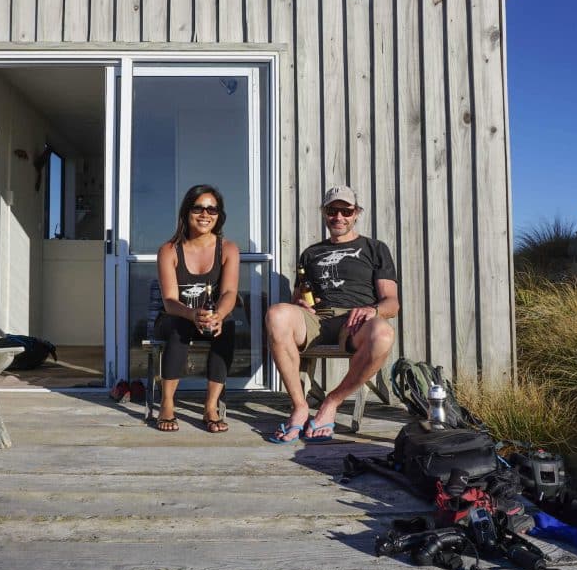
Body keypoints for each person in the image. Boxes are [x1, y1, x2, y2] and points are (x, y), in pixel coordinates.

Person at [266, 186, 399, 443]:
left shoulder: (374, 248)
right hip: (316, 320)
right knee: (276, 314)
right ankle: (300, 406)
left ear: (356, 213)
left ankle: (331, 402)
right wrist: (299, 304)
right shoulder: (310, 253)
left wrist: (372, 310)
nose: (339, 217)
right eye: (332, 210)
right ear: (324, 213)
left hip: (354, 322)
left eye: (346, 211)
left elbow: (392, 303)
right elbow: (298, 297)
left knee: (383, 334)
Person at [153, 184, 240, 433]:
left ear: (219, 215)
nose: (205, 214)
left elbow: (229, 292)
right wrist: (192, 314)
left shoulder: (228, 249)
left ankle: (210, 407)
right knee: (180, 328)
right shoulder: (169, 250)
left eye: (212, 210)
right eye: (198, 208)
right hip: (176, 317)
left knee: (227, 327)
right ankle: (167, 403)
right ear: (186, 212)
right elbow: (169, 300)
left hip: (210, 318)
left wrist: (218, 315)